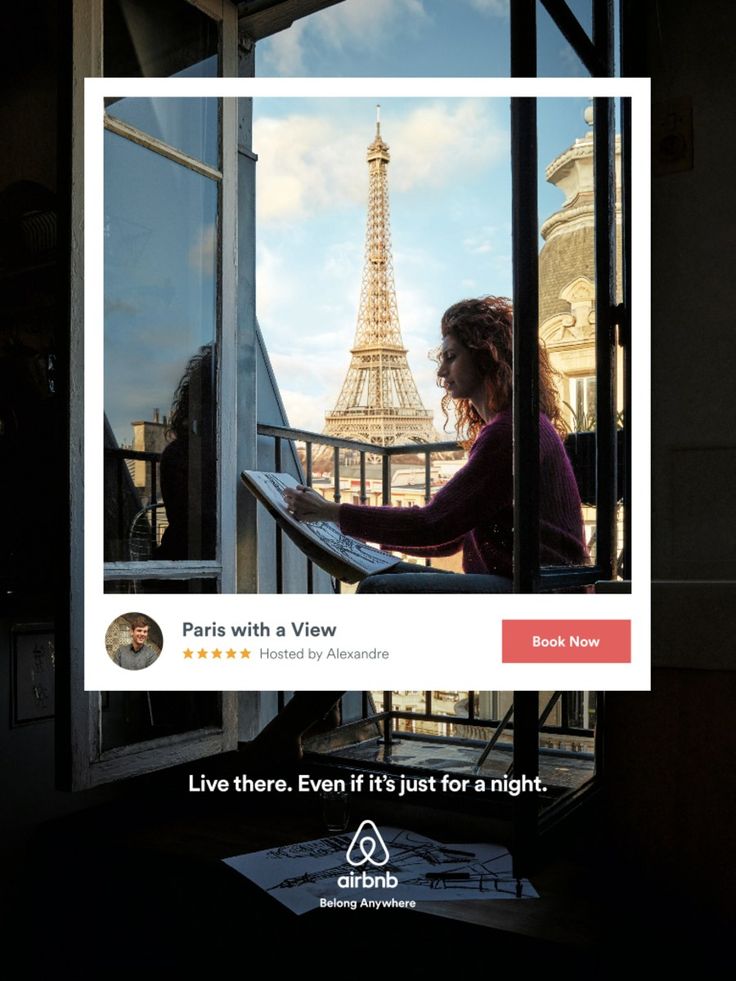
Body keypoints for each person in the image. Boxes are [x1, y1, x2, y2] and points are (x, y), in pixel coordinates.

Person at [283, 295, 587, 593]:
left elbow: (432, 524)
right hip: (539, 582)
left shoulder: (507, 433)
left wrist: (332, 512)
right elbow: (449, 536)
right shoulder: (513, 426)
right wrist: (357, 533)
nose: (441, 371)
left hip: (541, 590)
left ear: (486, 356)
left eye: (451, 357)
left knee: (379, 586)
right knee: (382, 572)